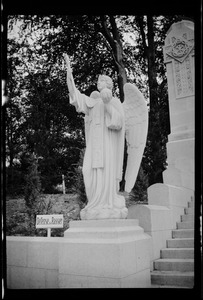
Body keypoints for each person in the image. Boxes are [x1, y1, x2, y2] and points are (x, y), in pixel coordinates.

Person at [64, 54, 128, 219]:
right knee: (87, 171)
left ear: (108, 84)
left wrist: (107, 105)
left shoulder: (113, 102)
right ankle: (94, 203)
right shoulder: (92, 103)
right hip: (94, 146)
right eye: (98, 81)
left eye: (101, 81)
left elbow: (118, 123)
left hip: (107, 146)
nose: (97, 83)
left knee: (104, 172)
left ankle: (106, 204)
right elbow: (76, 97)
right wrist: (69, 74)